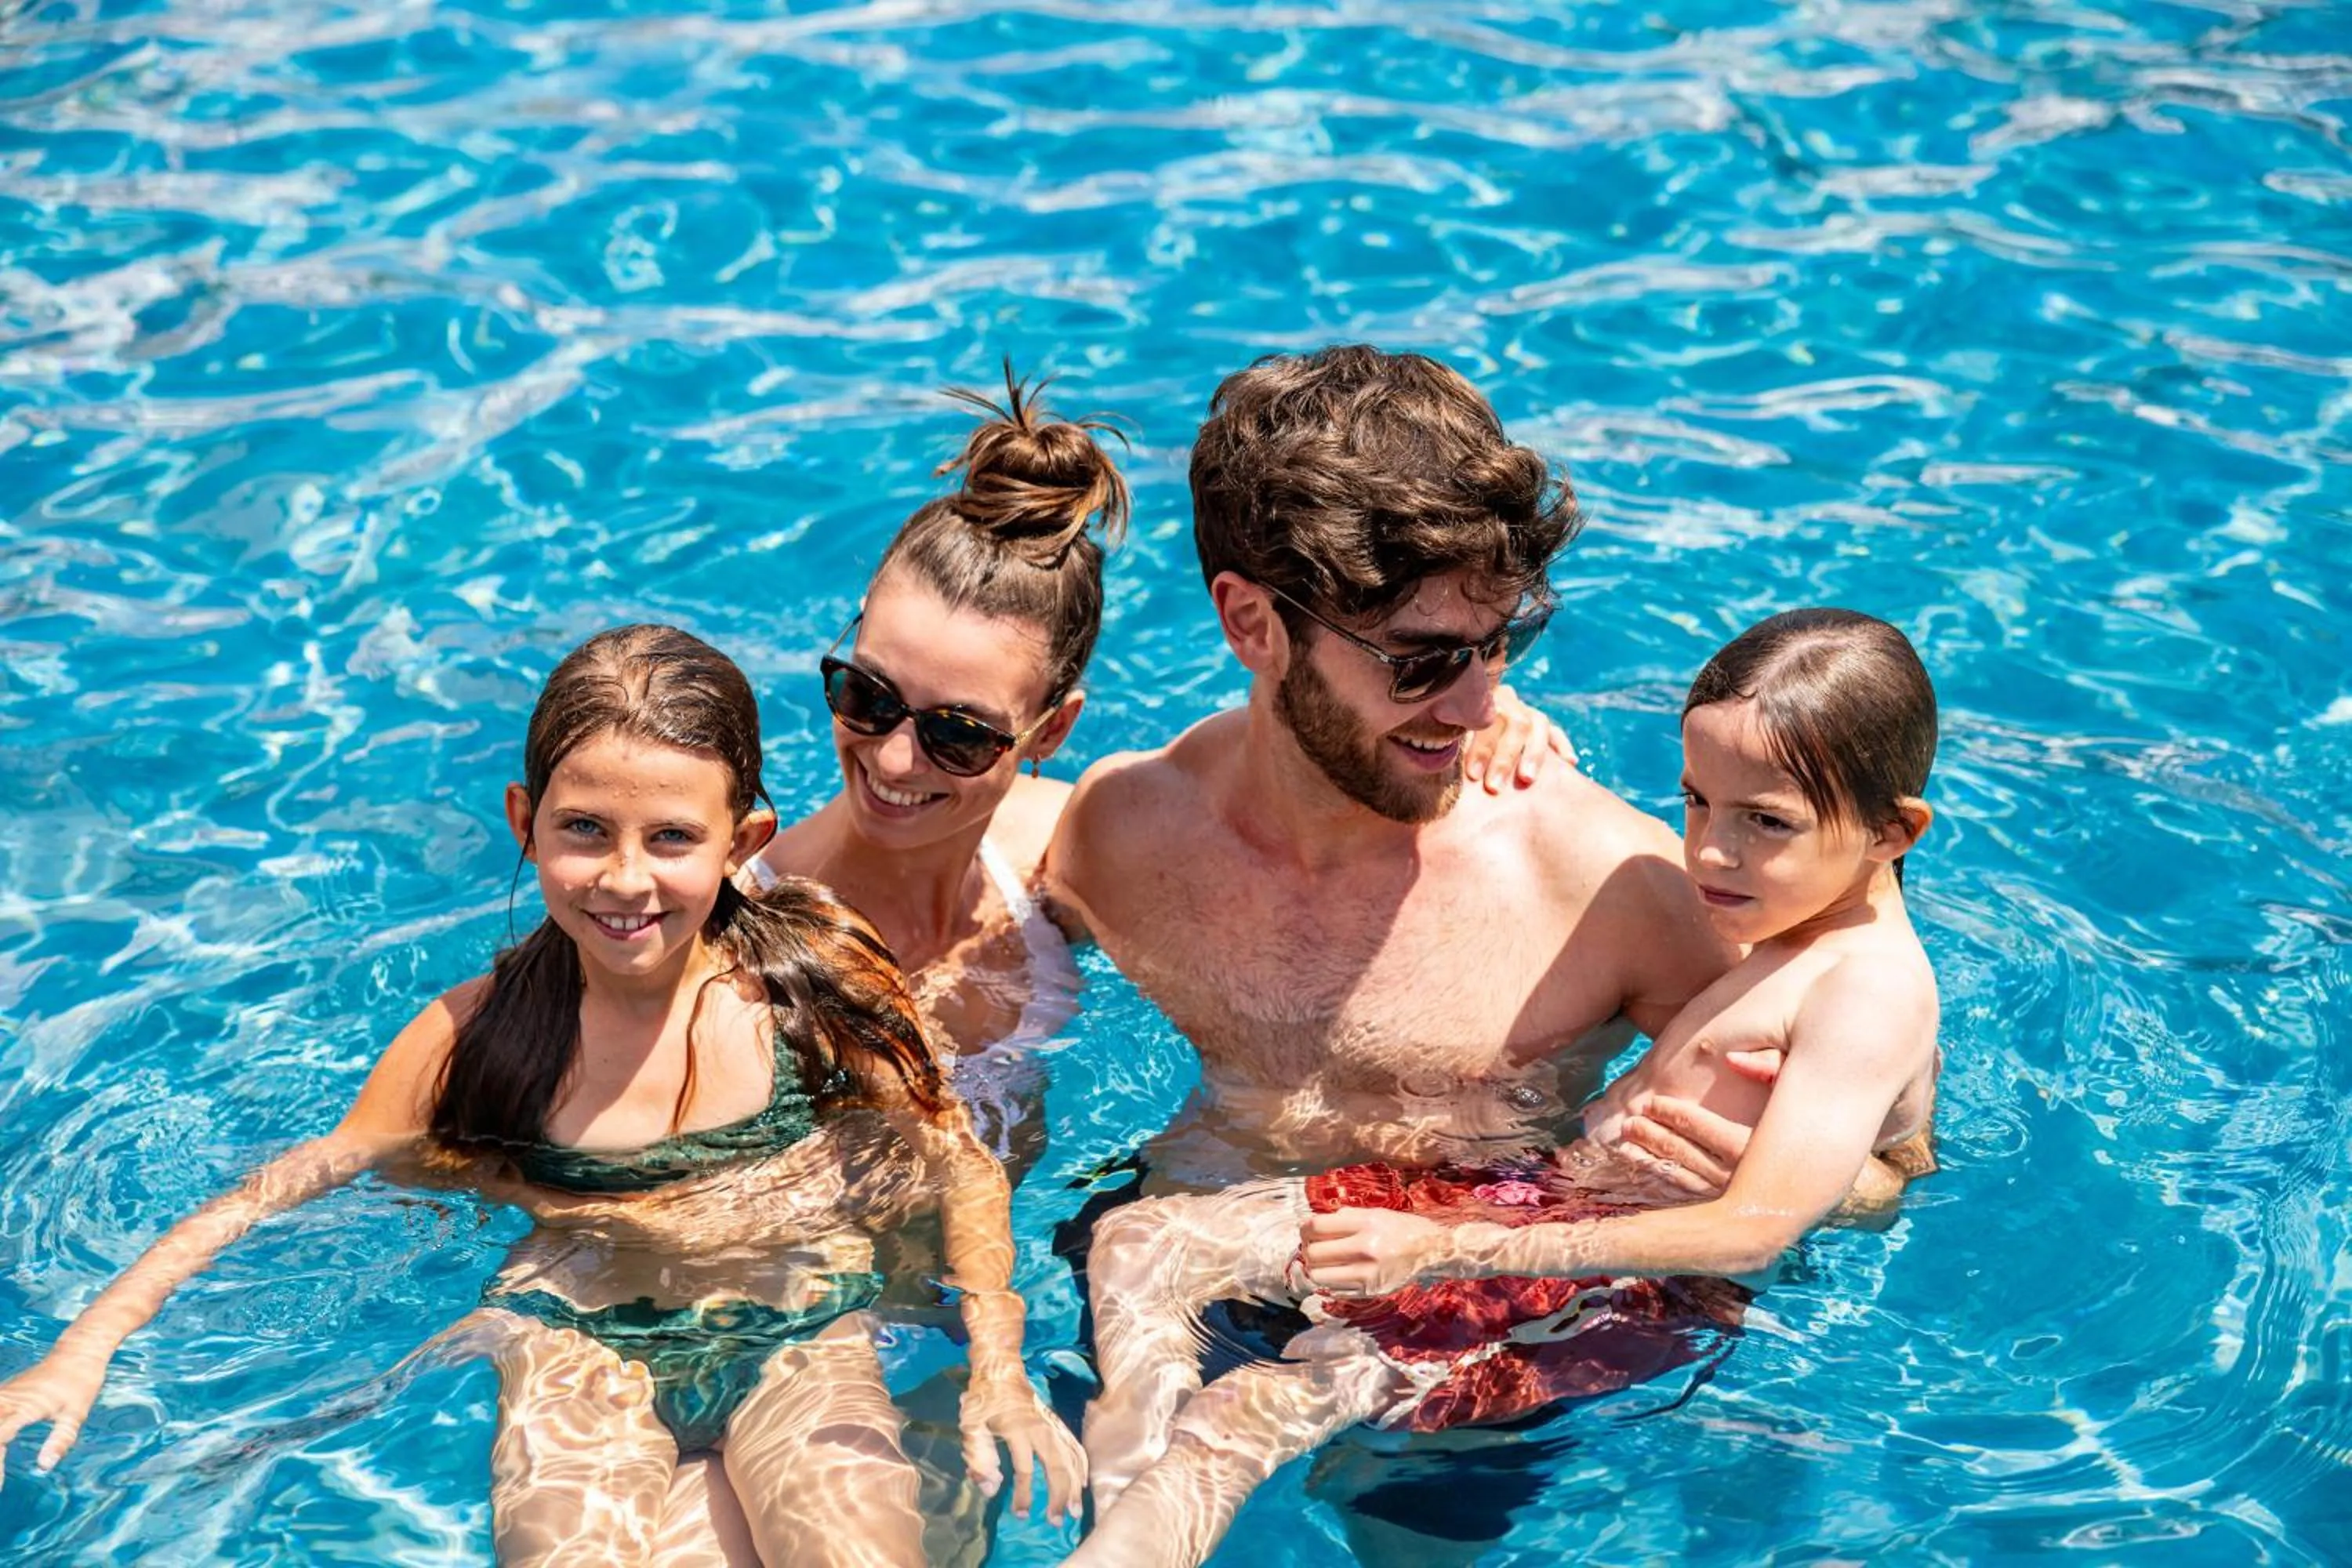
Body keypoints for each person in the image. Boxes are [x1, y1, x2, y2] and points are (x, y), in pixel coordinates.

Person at [1043, 347, 1916, 1551]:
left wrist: (1819, 1187)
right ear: (1254, 623)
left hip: (1492, 1335)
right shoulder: (1122, 836)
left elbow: (1878, 1161)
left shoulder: (1606, 885)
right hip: (1184, 1279)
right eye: (1421, 660)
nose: (1471, 704)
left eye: (1500, 645)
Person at [0, 624, 1081, 1566]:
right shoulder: (470, 1044)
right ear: (525, 820)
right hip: (579, 1345)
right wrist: (79, 1354)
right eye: (583, 831)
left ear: (744, 842)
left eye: (671, 839)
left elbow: (955, 1159)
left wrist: (999, 1364)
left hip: (799, 1324)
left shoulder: (818, 995)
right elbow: (273, 1191)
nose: (623, 877)